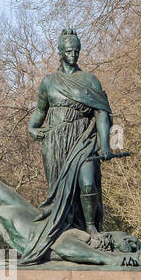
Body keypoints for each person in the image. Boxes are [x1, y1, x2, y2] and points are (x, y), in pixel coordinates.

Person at [27, 29, 115, 239]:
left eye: (76, 51)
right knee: (59, 190)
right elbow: (41, 110)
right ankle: (61, 229)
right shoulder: (49, 82)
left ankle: (91, 226)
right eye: (69, 51)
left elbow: (102, 113)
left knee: (87, 182)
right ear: (60, 53)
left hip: (82, 138)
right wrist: (32, 127)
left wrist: (105, 145)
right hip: (55, 140)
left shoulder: (90, 80)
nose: (73, 55)